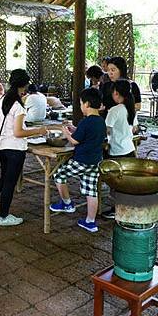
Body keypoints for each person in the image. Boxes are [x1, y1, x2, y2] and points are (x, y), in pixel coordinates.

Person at [0, 69, 48, 227]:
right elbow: (18, 132)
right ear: (24, 86)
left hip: (2, 146)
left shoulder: (1, 100)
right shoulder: (18, 106)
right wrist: (38, 131)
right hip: (15, 149)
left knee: (5, 180)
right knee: (8, 182)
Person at [49, 88, 106, 233]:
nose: (80, 106)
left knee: (59, 175)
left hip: (81, 160)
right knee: (91, 190)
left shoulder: (86, 122)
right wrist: (74, 128)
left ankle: (67, 203)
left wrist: (66, 132)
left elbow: (74, 141)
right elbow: (84, 134)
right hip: (95, 161)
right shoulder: (100, 121)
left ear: (86, 104)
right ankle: (90, 222)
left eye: (81, 103)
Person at [101, 80, 138, 219]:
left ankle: (117, 210)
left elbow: (106, 130)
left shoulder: (115, 110)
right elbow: (134, 128)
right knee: (127, 182)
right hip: (129, 149)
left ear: (116, 93)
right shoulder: (131, 108)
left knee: (116, 183)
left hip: (117, 151)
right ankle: (128, 208)